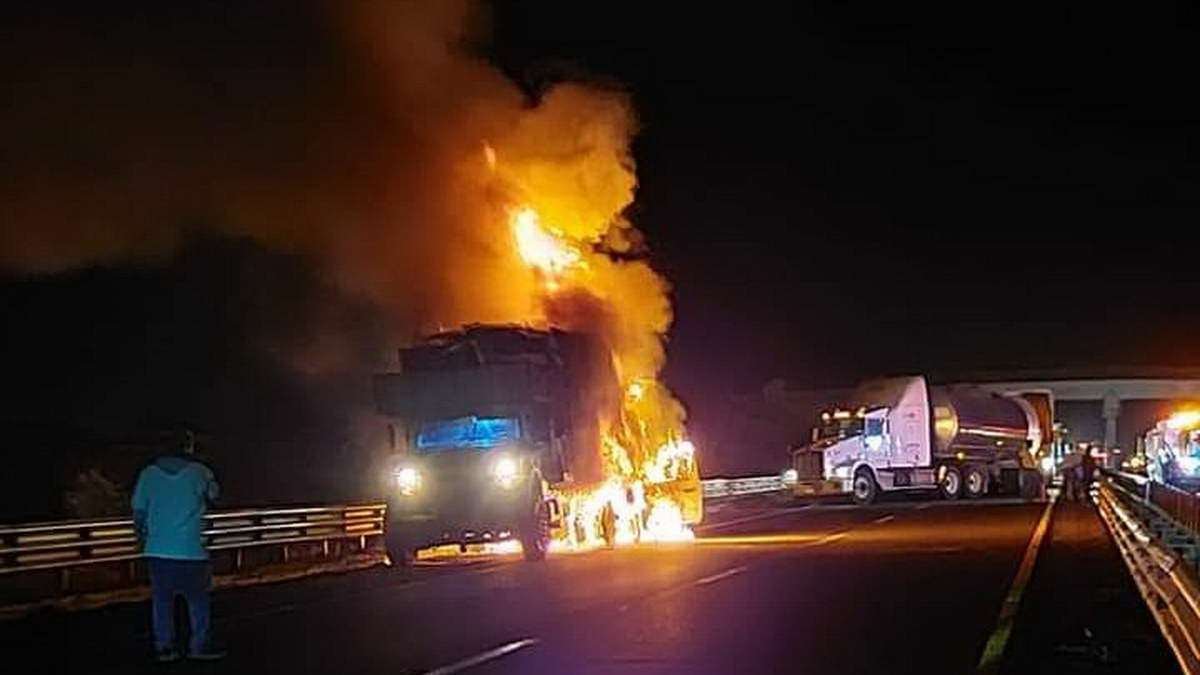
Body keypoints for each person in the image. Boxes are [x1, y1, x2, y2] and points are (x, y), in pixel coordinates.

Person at [132, 429, 225, 662]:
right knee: (198, 601)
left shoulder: (148, 474)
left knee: (162, 602)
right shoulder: (200, 472)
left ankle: (165, 647)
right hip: (191, 548)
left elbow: (138, 513)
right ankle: (198, 646)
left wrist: (141, 540)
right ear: (188, 447)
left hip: (158, 549)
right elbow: (215, 495)